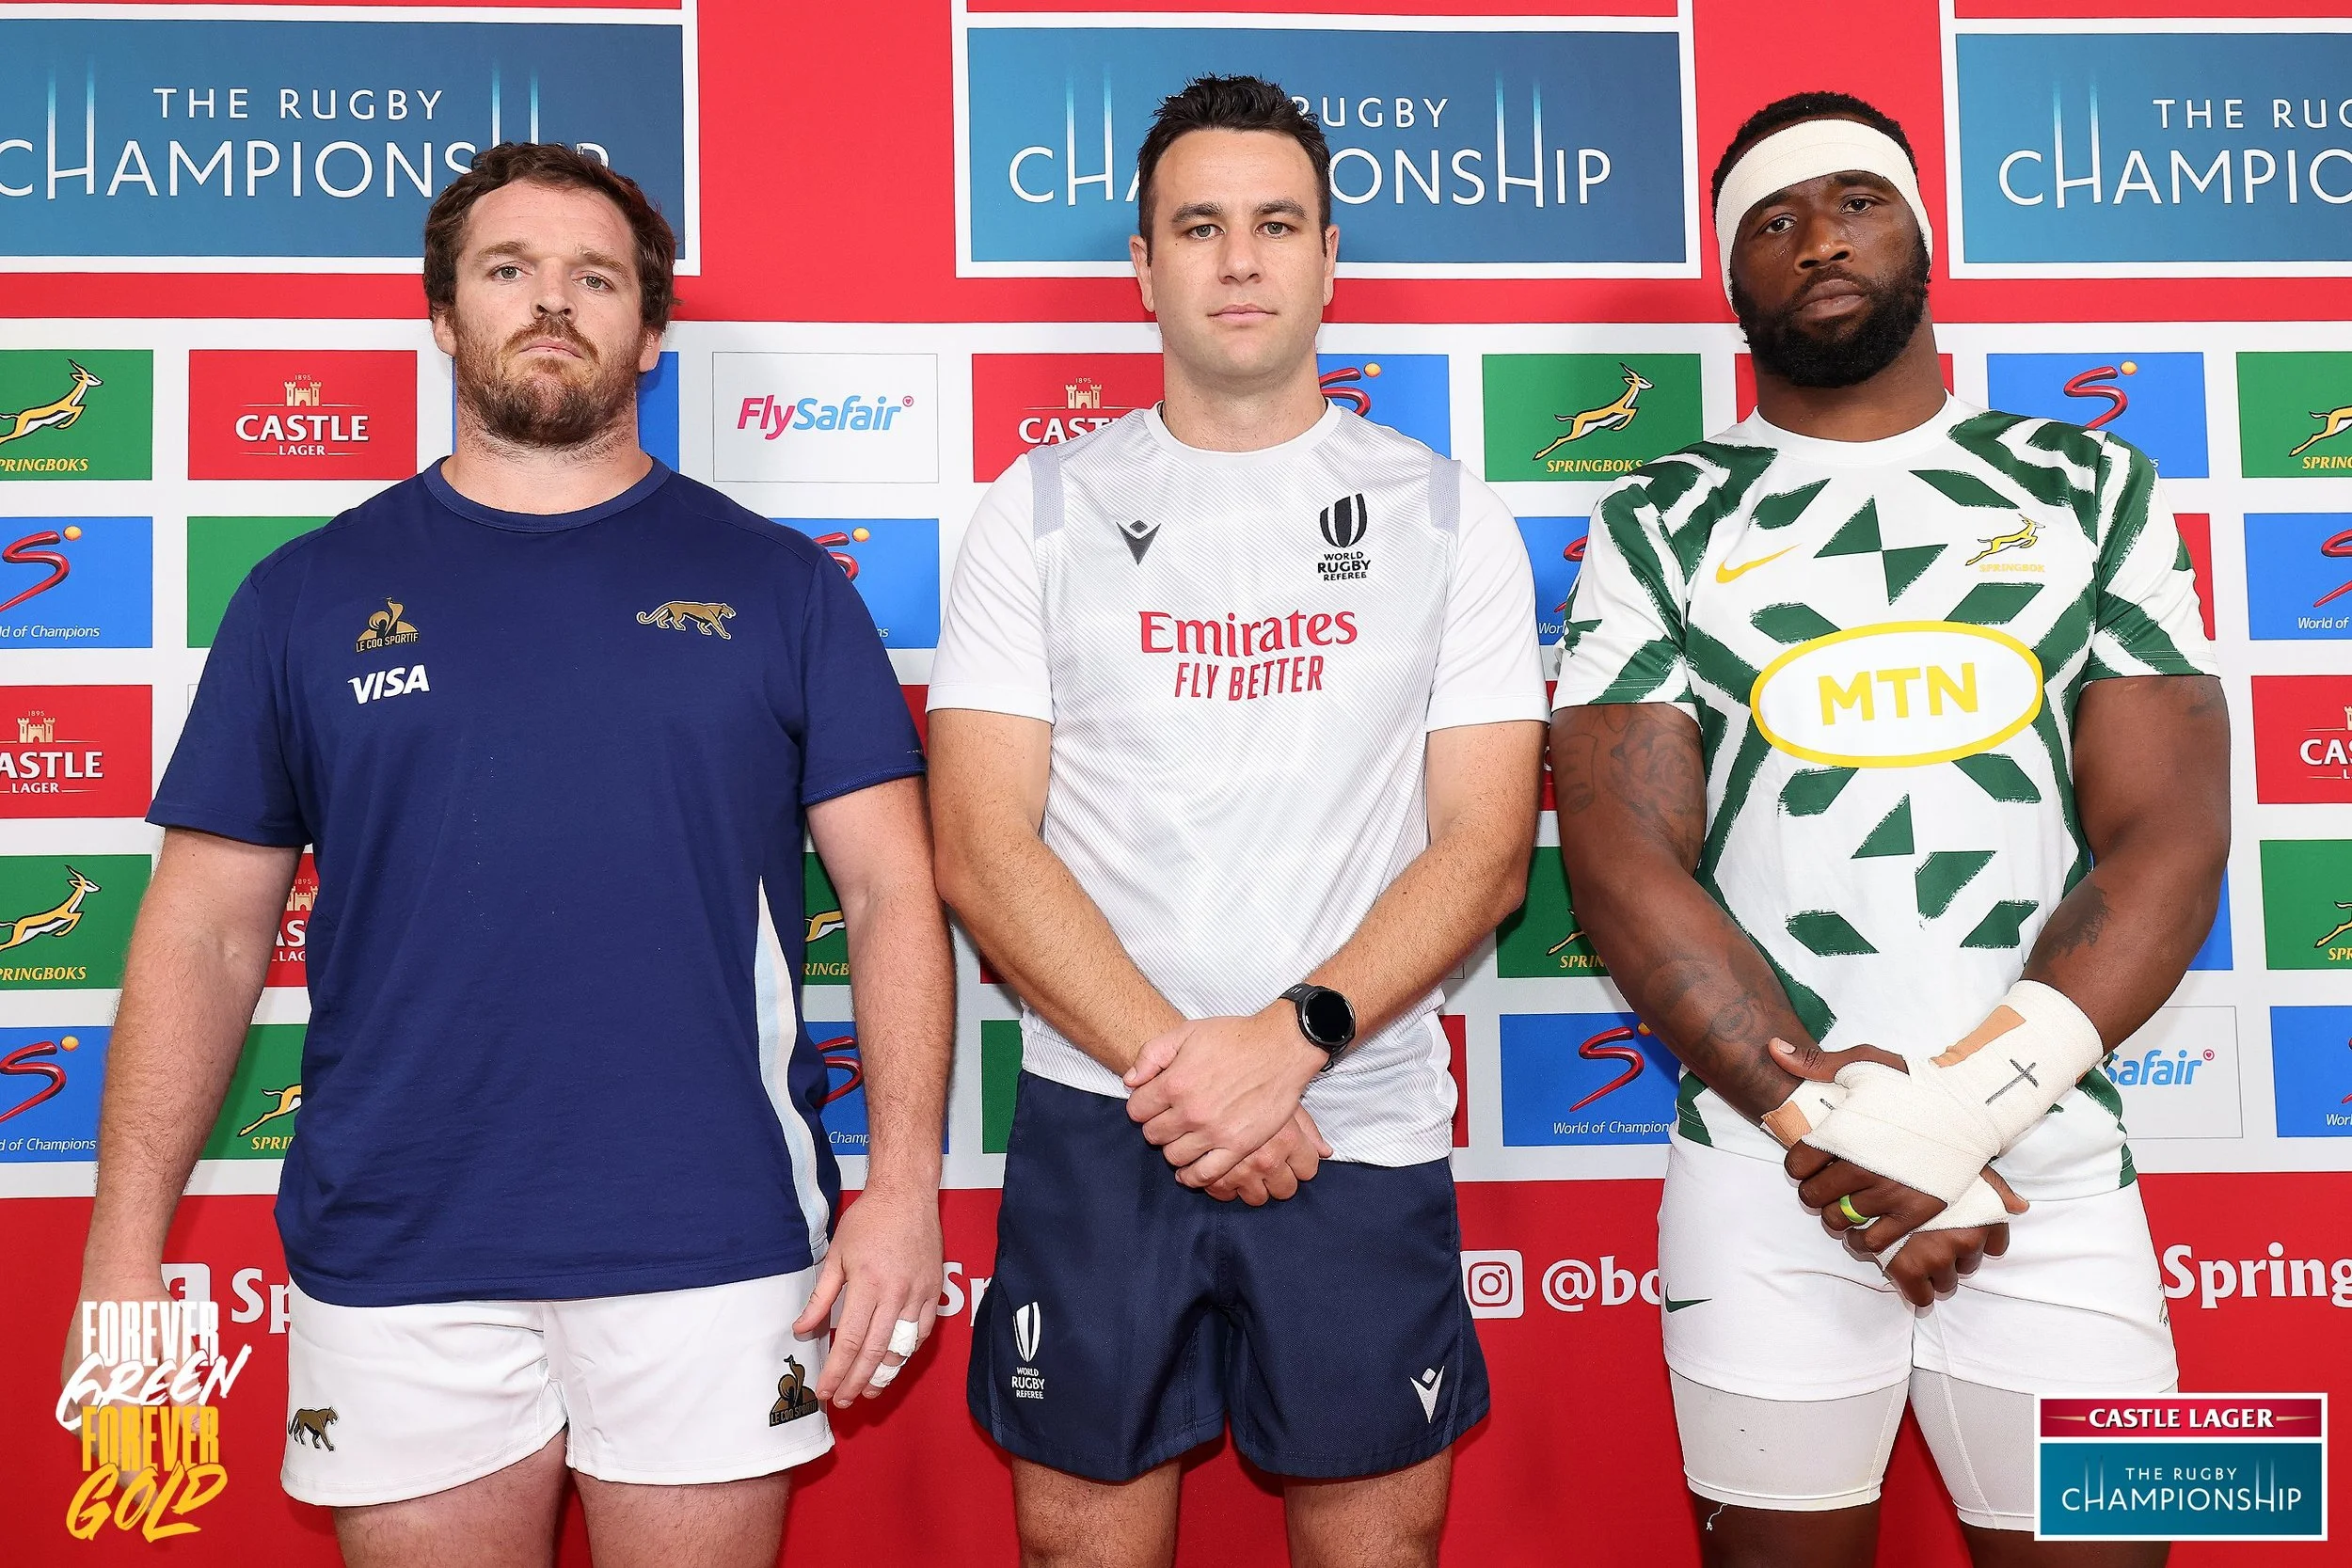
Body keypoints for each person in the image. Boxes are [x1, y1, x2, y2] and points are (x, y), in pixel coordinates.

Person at [66, 141, 952, 1568]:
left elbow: (893, 893)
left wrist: (905, 1186)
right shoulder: (304, 595)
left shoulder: (782, 587)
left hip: (710, 1234)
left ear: (650, 334)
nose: (552, 301)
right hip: (396, 1239)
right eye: (509, 269)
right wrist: (123, 1249)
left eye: (595, 277)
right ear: (443, 316)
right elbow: (204, 933)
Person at [1550, 91, 2225, 1568]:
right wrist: (1849, 1139)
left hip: (2053, 1164)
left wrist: (1960, 1117)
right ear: (1734, 279)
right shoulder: (1661, 516)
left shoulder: (2091, 488)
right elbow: (1621, 865)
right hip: (1770, 1164)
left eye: (1855, 200)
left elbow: (2171, 841)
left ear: (1922, 233)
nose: (1818, 240)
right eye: (1773, 221)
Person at [929, 75, 1547, 1568]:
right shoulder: (1039, 507)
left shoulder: (1447, 513)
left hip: (1356, 1114)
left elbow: (1483, 850)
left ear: (1329, 255)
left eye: (1275, 223)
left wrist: (1289, 1045)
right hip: (1105, 1113)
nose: (1240, 258)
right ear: (1144, 267)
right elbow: (982, 846)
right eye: (1199, 226)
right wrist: (1191, 1078)